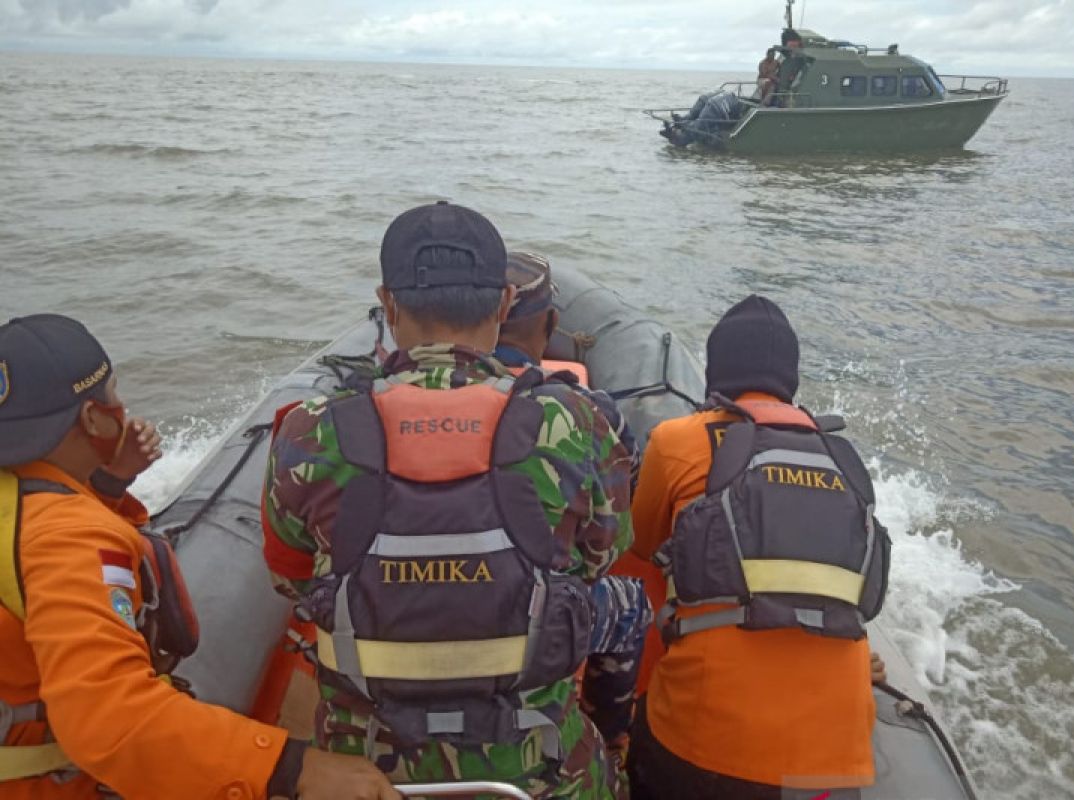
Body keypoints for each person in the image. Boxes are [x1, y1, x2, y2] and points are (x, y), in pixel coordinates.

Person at [262, 202, 634, 799]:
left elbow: (293, 579)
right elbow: (599, 557)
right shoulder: (575, 420)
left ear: (387, 304)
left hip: (366, 775)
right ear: (505, 305)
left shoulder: (307, 431)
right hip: (538, 773)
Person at [0, 314, 397, 800]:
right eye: (113, 395)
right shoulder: (70, 538)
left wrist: (104, 484)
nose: (122, 409)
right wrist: (291, 767)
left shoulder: (30, 513)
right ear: (92, 419)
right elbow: (108, 715)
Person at [625, 296, 891, 799]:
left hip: (699, 751)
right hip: (832, 766)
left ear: (715, 376)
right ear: (790, 383)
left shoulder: (678, 439)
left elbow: (638, 548)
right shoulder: (846, 464)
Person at [494, 251, 651, 761]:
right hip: (535, 625)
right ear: (553, 327)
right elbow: (606, 549)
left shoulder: (359, 419)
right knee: (630, 605)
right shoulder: (589, 413)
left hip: (400, 614)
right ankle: (610, 737)